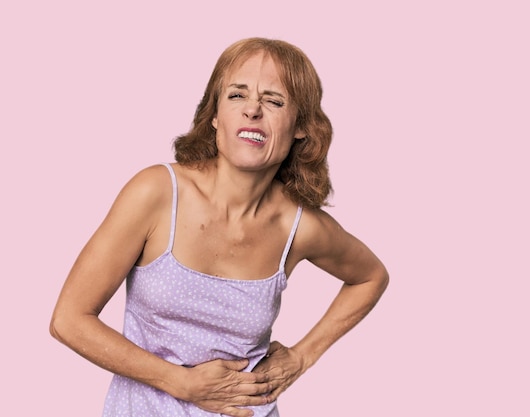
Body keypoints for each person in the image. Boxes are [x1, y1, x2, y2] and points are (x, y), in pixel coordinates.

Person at [50, 37, 389, 417]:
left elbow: (370, 277)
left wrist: (300, 357)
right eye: (237, 96)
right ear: (214, 115)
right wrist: (180, 382)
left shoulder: (300, 227)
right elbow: (69, 320)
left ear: (301, 127)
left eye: (274, 101)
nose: (252, 111)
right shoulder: (157, 193)